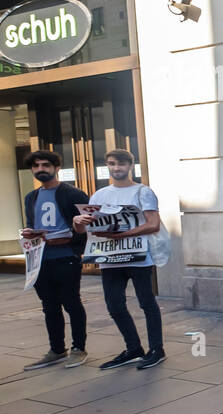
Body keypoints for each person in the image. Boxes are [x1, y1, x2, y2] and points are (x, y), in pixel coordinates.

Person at [73, 149, 166, 371]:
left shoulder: (143, 192)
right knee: (114, 305)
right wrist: (78, 221)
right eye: (112, 163)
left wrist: (120, 235)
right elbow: (83, 229)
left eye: (121, 164)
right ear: (107, 166)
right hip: (110, 259)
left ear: (130, 166)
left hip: (138, 257)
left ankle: (157, 349)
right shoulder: (99, 195)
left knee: (147, 303)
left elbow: (153, 224)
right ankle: (133, 348)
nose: (117, 168)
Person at [21, 150, 89, 370]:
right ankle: (57, 350)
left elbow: (87, 227)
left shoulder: (74, 194)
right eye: (36, 165)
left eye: (46, 165)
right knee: (49, 306)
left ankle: (79, 348)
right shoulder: (31, 197)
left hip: (66, 257)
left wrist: (70, 239)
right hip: (40, 259)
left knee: (71, 303)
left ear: (56, 167)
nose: (41, 169)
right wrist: (30, 233)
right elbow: (34, 223)